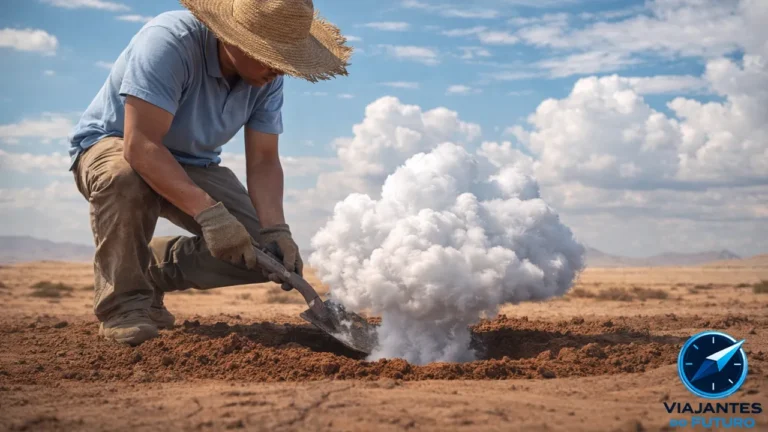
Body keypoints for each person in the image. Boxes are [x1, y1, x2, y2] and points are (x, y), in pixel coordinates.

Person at [66, 0, 351, 346]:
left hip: (193, 162)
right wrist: (210, 215)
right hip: (115, 145)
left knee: (264, 252)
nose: (279, 69)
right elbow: (140, 145)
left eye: (285, 58)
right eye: (270, 55)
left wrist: (277, 228)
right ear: (232, 37)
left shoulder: (267, 76)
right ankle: (124, 304)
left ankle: (149, 268)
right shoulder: (169, 42)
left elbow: (263, 160)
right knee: (124, 178)